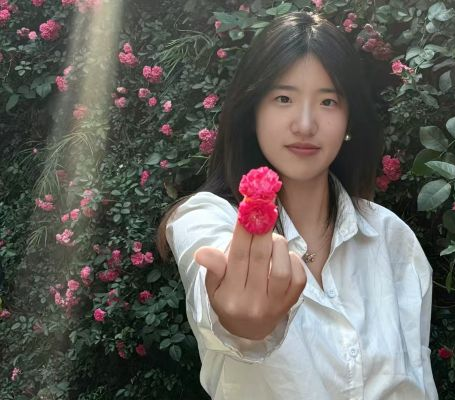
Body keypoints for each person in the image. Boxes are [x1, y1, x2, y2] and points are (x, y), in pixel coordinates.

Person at [156, 11, 438, 400]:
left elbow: (418, 379)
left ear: (349, 118)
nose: (305, 124)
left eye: (328, 101)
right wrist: (240, 320)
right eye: (284, 98)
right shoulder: (205, 217)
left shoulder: (392, 238)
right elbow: (211, 275)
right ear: (253, 111)